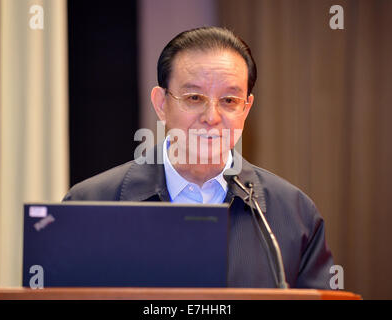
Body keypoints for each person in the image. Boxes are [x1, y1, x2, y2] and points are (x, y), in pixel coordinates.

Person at [64, 26, 334, 289]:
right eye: (194, 97)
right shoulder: (88, 204)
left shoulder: (295, 215)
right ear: (161, 104)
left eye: (229, 100)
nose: (211, 117)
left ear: (246, 108)